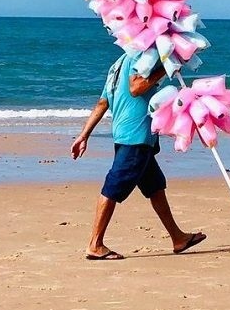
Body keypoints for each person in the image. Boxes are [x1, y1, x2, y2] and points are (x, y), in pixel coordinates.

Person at [71, 51, 206, 260]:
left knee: (155, 186)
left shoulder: (117, 64)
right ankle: (95, 244)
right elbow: (136, 88)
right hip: (136, 137)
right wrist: (165, 67)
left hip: (128, 134)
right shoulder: (139, 59)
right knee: (113, 186)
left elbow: (102, 102)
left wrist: (83, 135)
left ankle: (178, 238)